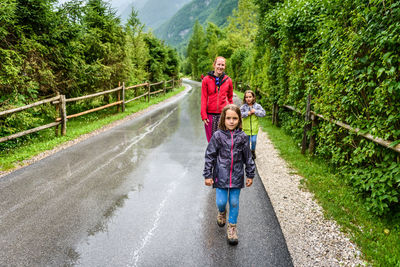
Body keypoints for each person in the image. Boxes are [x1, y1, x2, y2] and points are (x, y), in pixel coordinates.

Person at [203, 104, 255, 245]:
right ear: (223, 119)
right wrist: (208, 175)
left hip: (237, 176)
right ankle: (221, 212)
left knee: (234, 202)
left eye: (235, 118)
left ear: (239, 120)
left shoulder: (243, 137)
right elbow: (210, 156)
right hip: (220, 175)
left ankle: (232, 228)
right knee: (221, 202)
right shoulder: (217, 136)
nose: (231, 121)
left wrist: (250, 174)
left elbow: (248, 157)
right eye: (228, 118)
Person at [201, 56, 233, 142]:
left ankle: (222, 156)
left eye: (222, 65)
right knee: (212, 142)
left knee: (224, 141)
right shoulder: (206, 80)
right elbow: (203, 98)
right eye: (218, 64)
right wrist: (203, 115)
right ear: (214, 65)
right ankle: (213, 156)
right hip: (210, 115)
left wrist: (231, 114)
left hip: (223, 115)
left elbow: (230, 99)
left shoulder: (228, 80)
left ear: (225, 66)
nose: (220, 67)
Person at [240, 90, 266, 159]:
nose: (248, 99)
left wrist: (255, 111)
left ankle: (253, 151)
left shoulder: (257, 106)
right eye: (246, 97)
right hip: (246, 128)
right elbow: (239, 115)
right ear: (245, 98)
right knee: (247, 143)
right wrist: (247, 113)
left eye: (250, 97)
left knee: (253, 141)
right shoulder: (243, 107)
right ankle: (247, 154)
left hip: (254, 128)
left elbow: (263, 113)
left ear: (253, 97)